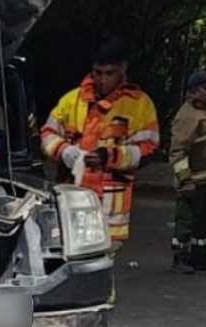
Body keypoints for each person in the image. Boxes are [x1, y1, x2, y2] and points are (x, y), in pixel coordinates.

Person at [41, 37, 160, 249]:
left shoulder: (139, 105)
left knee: (101, 262)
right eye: (97, 72)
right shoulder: (72, 100)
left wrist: (109, 156)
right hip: (71, 198)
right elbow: (48, 133)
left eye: (109, 73)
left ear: (123, 69)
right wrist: (63, 150)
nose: (102, 80)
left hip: (110, 211)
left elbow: (148, 149)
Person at [168, 71, 206, 273]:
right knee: (186, 220)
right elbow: (178, 151)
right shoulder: (188, 115)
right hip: (192, 180)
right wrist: (185, 180)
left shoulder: (204, 112)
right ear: (194, 91)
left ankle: (199, 256)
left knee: (205, 219)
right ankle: (180, 258)